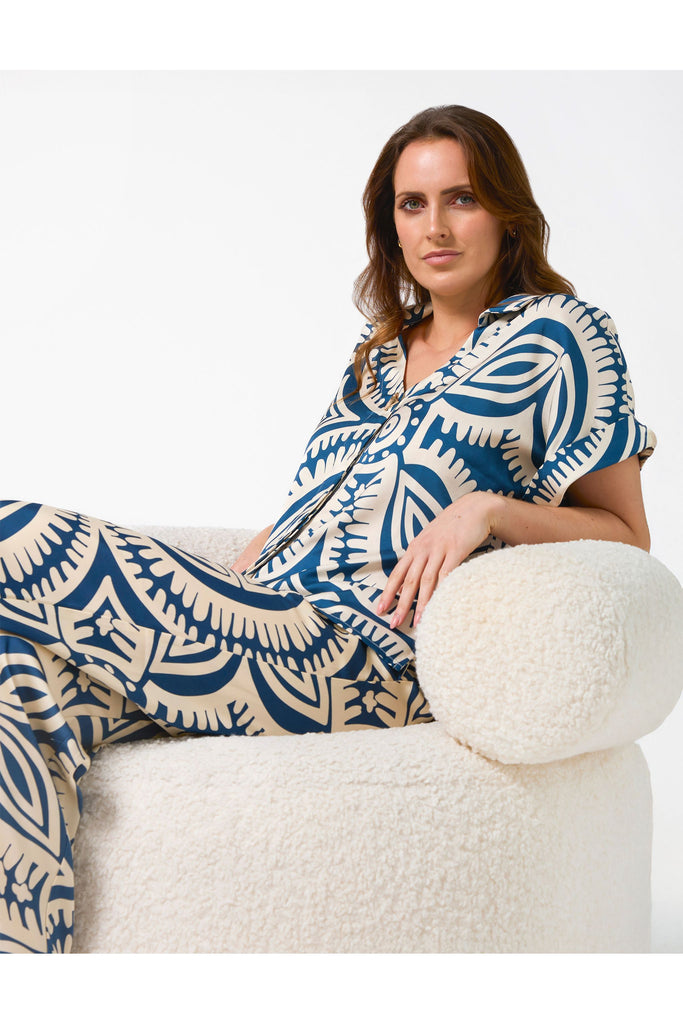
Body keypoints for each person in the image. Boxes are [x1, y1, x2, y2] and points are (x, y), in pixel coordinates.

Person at [0, 104, 654, 954]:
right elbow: (318, 505)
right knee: (12, 681)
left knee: (20, 535)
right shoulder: (376, 357)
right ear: (390, 224)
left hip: (360, 654)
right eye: (411, 204)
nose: (435, 226)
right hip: (260, 621)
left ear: (506, 212)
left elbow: (624, 533)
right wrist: (235, 573)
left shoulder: (561, 335)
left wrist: (487, 511)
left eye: (460, 198)